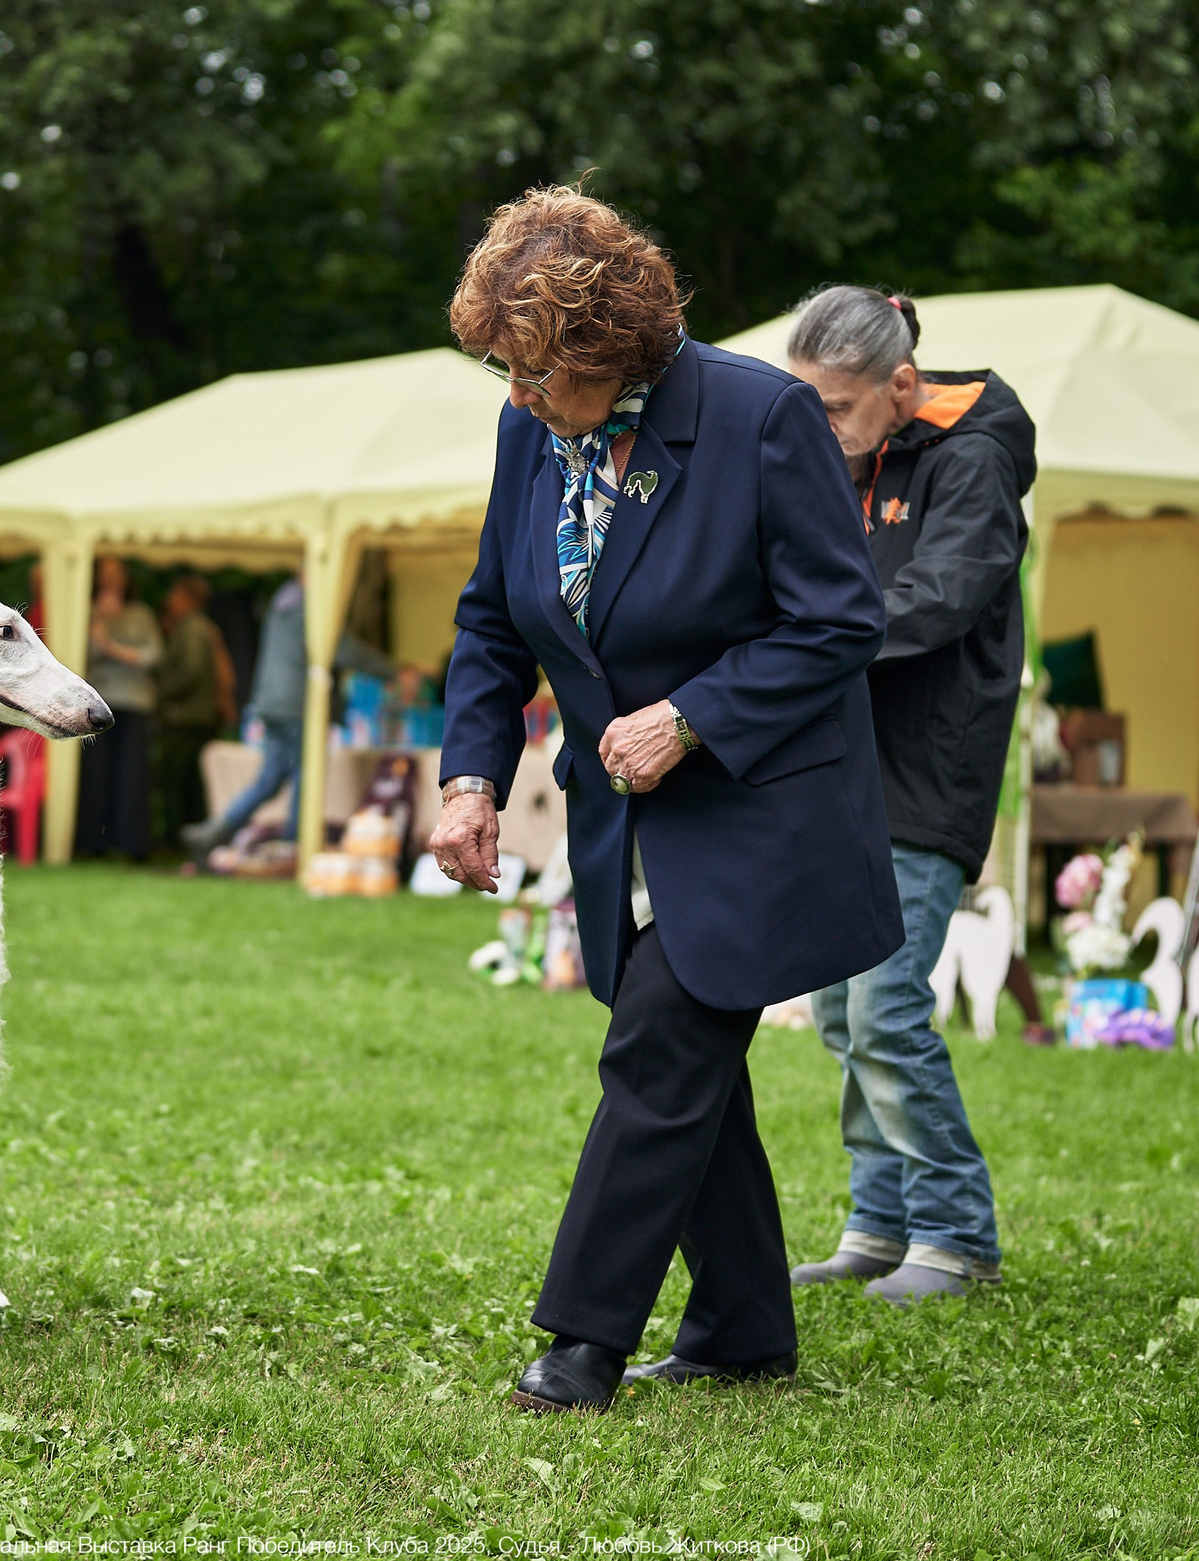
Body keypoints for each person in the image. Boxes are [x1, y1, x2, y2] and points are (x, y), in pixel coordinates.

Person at [424, 184, 902, 1411]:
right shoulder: (528, 429)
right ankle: (743, 1330)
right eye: (504, 375)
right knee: (694, 1072)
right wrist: (473, 772)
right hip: (621, 814)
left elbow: (841, 617)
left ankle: (579, 1344)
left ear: (604, 344)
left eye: (533, 371)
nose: (517, 397)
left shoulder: (760, 419)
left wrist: (694, 716)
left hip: (762, 806)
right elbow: (493, 619)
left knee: (657, 1052)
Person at [784, 286, 1035, 1303]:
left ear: (899, 384)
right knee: (841, 1010)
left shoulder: (971, 458)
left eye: (836, 408)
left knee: (886, 1004)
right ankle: (880, 1222)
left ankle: (956, 1232)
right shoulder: (839, 455)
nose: (819, 428)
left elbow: (937, 596)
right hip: (841, 769)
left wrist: (803, 646)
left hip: (929, 769)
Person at [177, 572, 388, 859]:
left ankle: (216, 832)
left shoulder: (282, 602)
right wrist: (395, 671)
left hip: (273, 702)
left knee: (271, 779)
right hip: (297, 705)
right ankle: (294, 846)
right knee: (306, 777)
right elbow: (343, 649)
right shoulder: (309, 607)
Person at [76, 557, 160, 860]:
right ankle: (92, 843)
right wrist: (100, 620)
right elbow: (78, 656)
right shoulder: (85, 611)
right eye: (106, 574)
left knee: (131, 775)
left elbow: (153, 656)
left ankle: (132, 845)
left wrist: (112, 648)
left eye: (117, 574)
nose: (111, 580)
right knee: (95, 775)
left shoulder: (141, 614)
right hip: (97, 701)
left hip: (134, 702)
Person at [150, 572, 234, 846]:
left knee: (178, 782)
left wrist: (162, 693)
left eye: (175, 594)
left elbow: (191, 670)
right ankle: (192, 839)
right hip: (197, 716)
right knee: (192, 782)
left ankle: (178, 839)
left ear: (188, 599)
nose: (170, 599)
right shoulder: (199, 626)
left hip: (187, 718)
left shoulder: (192, 628)